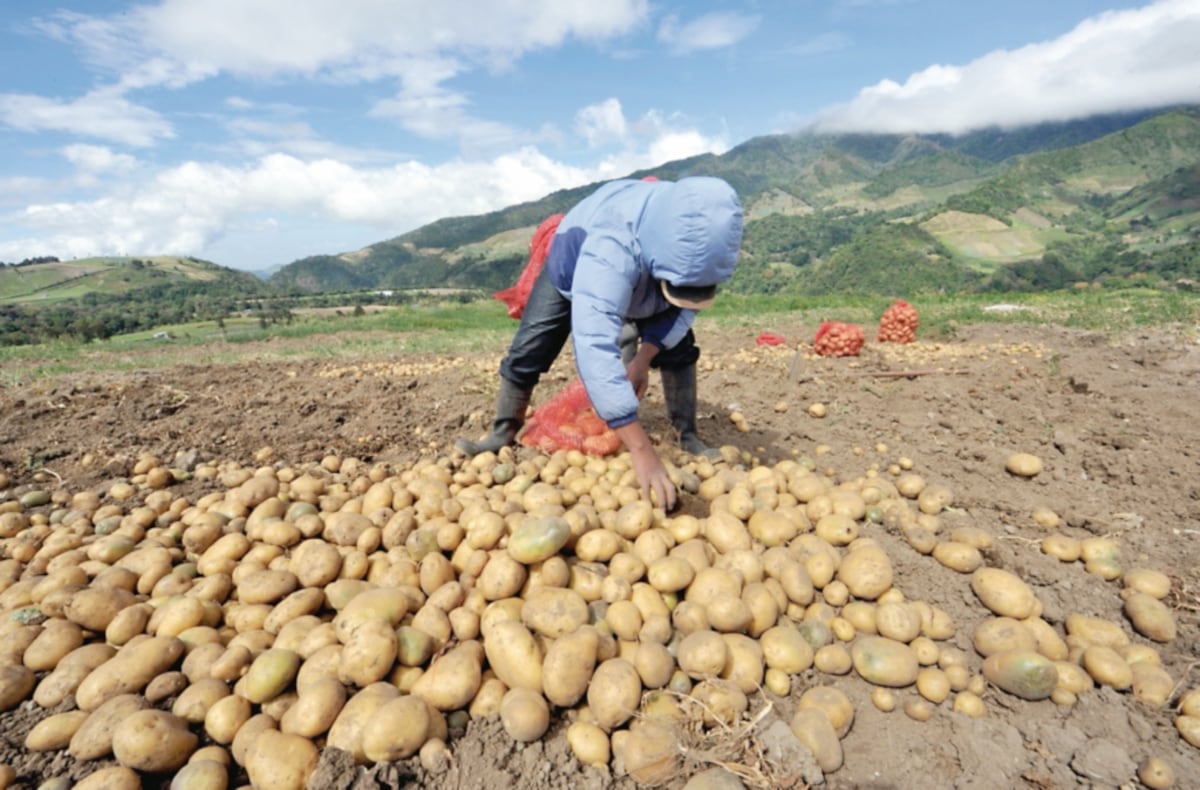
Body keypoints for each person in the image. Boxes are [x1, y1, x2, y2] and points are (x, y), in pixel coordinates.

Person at [456, 175, 744, 510]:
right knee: (530, 347)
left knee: (679, 348)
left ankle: (688, 434)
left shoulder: (706, 249)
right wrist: (641, 450)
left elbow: (684, 311)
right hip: (573, 265)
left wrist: (641, 360)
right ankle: (502, 433)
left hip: (652, 269)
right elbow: (595, 344)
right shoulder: (611, 246)